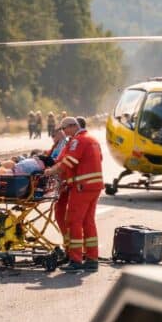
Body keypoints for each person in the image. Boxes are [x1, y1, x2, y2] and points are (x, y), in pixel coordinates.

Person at [46, 116, 104, 271]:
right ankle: (92, 259)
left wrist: (51, 171)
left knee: (74, 221)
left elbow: (68, 162)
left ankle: (76, 260)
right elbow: (98, 159)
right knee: (88, 222)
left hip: (82, 187)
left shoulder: (77, 141)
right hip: (95, 186)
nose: (63, 132)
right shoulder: (93, 139)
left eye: (64, 129)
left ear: (72, 126)